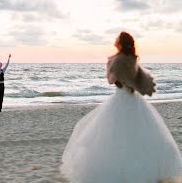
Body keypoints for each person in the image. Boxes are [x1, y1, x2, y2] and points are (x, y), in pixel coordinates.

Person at [61, 32, 182, 183]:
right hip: (134, 100)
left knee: (114, 136)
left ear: (120, 43)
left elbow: (111, 81)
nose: (115, 40)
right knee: (140, 135)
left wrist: (109, 67)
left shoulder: (117, 60)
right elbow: (135, 81)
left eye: (117, 39)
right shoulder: (132, 60)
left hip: (120, 99)